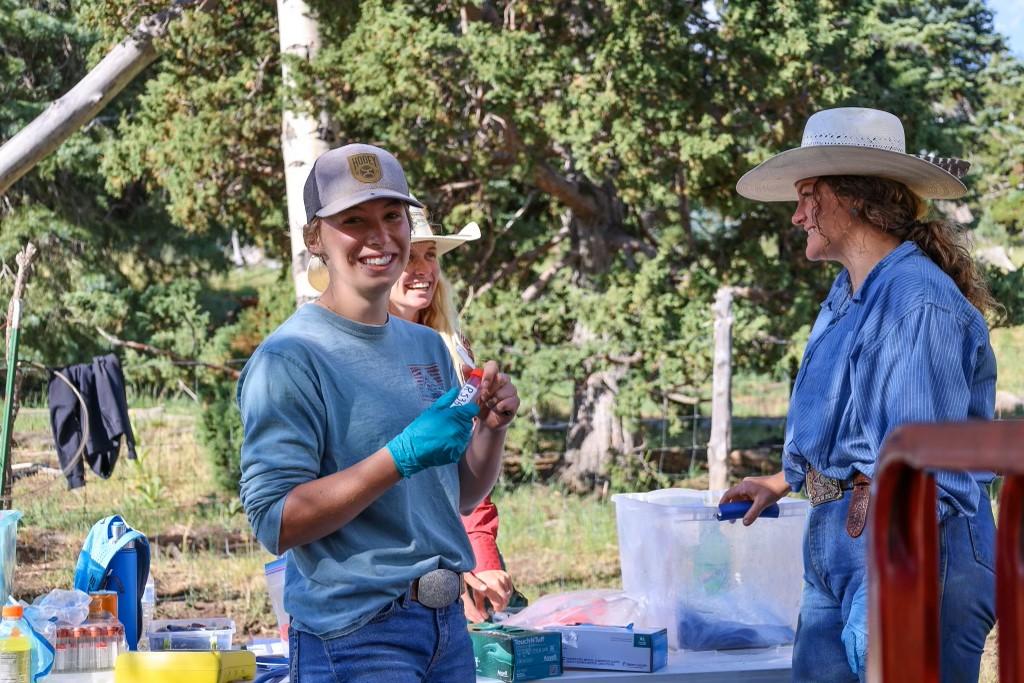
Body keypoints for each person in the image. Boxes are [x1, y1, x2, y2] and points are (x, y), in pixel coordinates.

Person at [723, 107, 997, 683]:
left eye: (808, 197)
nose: (797, 215)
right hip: (842, 535)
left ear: (852, 199)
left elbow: (925, 468)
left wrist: (889, 589)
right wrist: (783, 480)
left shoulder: (915, 301)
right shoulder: (851, 292)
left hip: (908, 540)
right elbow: (850, 422)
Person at [237, 143, 520, 682]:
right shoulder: (290, 358)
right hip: (356, 638)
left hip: (447, 631)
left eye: (393, 216)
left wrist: (490, 429)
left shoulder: (427, 346)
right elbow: (276, 521)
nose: (380, 236)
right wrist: (401, 456)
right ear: (314, 238)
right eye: (354, 220)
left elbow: (458, 496)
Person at [309, 202, 516, 623]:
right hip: (364, 593)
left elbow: (457, 483)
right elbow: (299, 502)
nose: (422, 269)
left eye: (430, 255)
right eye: (410, 257)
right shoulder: (325, 352)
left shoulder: (449, 350)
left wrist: (481, 558)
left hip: (443, 574)